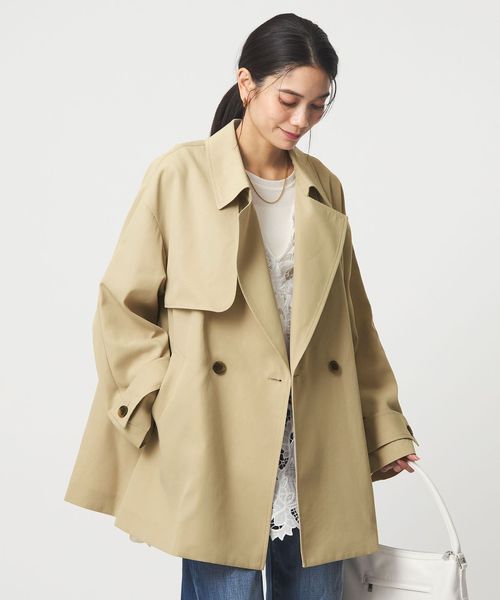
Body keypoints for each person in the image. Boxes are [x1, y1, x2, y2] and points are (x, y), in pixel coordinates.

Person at [64, 12, 420, 600]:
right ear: (247, 83)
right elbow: (122, 307)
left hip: (314, 440)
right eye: (288, 100)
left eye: (317, 106)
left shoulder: (324, 187)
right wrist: (164, 403)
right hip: (215, 438)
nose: (301, 121)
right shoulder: (179, 175)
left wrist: (384, 428)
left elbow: (352, 322)